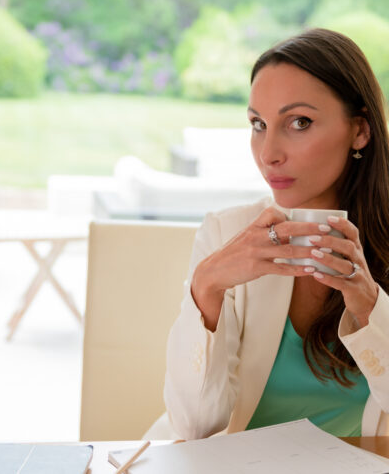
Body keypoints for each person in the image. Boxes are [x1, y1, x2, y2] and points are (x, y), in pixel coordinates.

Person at [154, 28, 389, 440]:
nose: (268, 153)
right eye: (259, 123)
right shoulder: (226, 233)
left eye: (299, 122)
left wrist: (370, 306)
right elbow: (194, 427)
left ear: (360, 131)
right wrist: (205, 287)